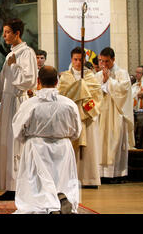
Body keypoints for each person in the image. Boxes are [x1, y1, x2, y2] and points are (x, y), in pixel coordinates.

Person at [13, 66, 82, 214]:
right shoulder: (69, 104)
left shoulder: (29, 104)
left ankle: (46, 206)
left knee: (36, 183)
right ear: (57, 81)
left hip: (36, 147)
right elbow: (77, 131)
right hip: (63, 147)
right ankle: (62, 201)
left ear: (38, 81)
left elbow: (17, 131)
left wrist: (29, 139)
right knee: (62, 179)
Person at [0, 18, 38, 200]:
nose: (4, 36)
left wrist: (15, 66)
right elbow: (2, 83)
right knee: (6, 144)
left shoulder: (26, 53)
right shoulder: (12, 54)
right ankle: (8, 186)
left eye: (7, 32)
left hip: (18, 102)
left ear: (17, 33)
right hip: (8, 103)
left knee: (16, 144)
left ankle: (17, 186)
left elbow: (30, 80)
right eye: (4, 32)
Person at [57, 47, 103, 188]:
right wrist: (77, 90)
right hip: (71, 117)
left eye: (80, 59)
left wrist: (83, 94)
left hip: (86, 115)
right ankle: (72, 179)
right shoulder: (65, 77)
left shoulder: (90, 77)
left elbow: (97, 96)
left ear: (85, 60)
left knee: (89, 148)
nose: (77, 62)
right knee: (72, 148)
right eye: (75, 59)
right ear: (71, 59)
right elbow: (61, 94)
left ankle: (90, 179)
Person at [95, 47, 134, 183]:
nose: (104, 65)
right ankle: (102, 174)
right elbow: (94, 93)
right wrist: (103, 81)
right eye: (101, 61)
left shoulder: (122, 73)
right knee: (101, 143)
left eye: (106, 61)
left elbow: (123, 90)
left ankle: (117, 174)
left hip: (117, 114)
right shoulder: (98, 75)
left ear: (113, 59)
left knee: (115, 142)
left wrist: (108, 82)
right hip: (102, 114)